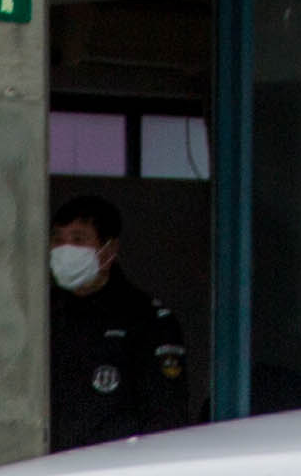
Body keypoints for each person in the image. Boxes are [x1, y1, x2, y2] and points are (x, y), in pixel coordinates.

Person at [47, 195, 195, 455]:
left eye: (79, 239)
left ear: (109, 250)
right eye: (58, 239)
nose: (65, 248)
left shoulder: (146, 319)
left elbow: (165, 415)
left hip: (114, 470)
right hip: (49, 469)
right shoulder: (41, 313)